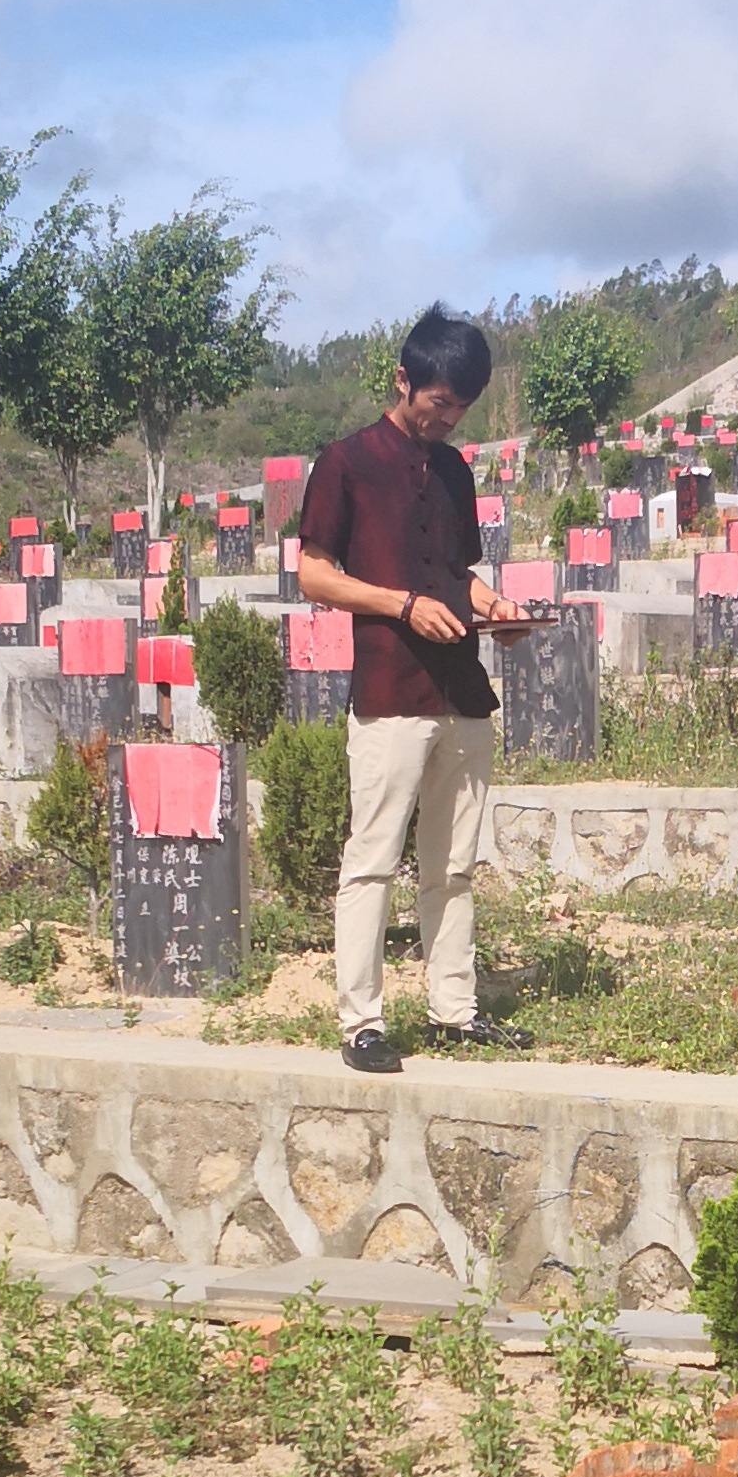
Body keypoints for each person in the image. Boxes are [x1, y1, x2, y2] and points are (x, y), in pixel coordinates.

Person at [296, 306, 537, 1072]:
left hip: (461, 692)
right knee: (372, 859)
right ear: (403, 380)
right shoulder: (346, 462)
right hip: (390, 691)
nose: (447, 419)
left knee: (453, 865)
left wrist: (490, 605)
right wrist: (400, 604)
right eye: (438, 403)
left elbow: (455, 576)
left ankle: (454, 1011)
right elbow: (312, 573)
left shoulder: (456, 470)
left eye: (460, 408)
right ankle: (361, 1023)